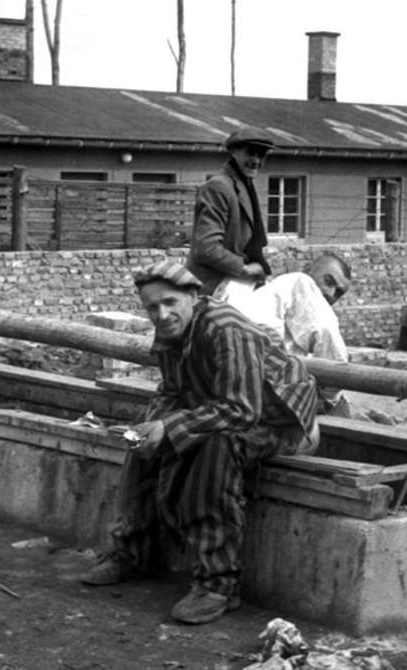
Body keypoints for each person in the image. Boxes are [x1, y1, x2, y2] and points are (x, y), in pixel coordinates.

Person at [81, 261, 320, 626]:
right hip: (223, 411)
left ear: (193, 297)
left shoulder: (225, 328)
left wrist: (171, 427)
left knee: (217, 450)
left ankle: (218, 584)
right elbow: (172, 392)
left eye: (170, 302)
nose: (161, 314)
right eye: (152, 307)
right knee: (141, 438)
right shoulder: (170, 333)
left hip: (280, 423)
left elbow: (242, 410)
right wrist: (153, 428)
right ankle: (133, 552)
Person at [233, 253, 353, 415]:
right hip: (256, 384)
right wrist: (329, 398)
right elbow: (331, 345)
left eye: (339, 293)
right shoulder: (299, 281)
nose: (331, 294)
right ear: (306, 270)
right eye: (328, 281)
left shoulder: (276, 305)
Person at [186, 127, 276, 299]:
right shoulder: (218, 187)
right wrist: (245, 269)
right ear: (234, 152)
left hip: (237, 283)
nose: (256, 161)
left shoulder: (244, 184)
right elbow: (207, 248)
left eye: (261, 155)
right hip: (212, 289)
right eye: (251, 153)